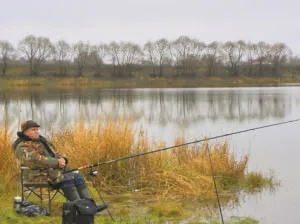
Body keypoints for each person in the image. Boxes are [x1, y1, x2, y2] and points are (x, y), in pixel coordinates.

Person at [12, 120, 107, 212]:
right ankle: (81, 208)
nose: (37, 131)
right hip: (35, 176)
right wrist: (57, 163)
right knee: (65, 178)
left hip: (51, 173)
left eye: (37, 129)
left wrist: (63, 160)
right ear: (25, 132)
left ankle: (90, 206)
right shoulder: (22, 146)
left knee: (77, 177)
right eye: (33, 130)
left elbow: (56, 153)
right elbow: (35, 161)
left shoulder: (42, 141)